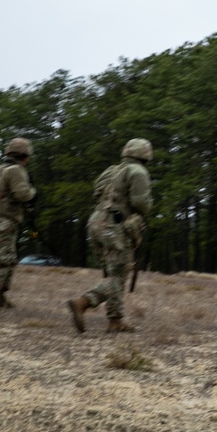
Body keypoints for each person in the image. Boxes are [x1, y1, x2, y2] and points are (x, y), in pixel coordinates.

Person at [67, 138, 153, 334]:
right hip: (115, 226)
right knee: (118, 277)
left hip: (96, 222)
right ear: (146, 155)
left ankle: (115, 321)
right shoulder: (138, 172)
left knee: (114, 273)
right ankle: (82, 302)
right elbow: (141, 203)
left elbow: (97, 192)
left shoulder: (111, 170)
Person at [0, 138, 36, 309]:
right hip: (3, 221)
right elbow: (23, 195)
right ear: (26, 155)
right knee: (2, 260)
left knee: (7, 259)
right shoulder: (16, 170)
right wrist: (33, 192)